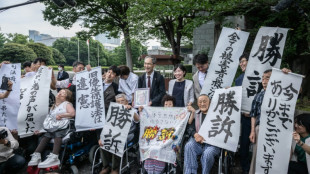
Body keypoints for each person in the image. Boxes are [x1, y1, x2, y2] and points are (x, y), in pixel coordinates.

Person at [249, 68, 291, 174]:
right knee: (257, 155)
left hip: (279, 131)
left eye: (267, 78)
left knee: (276, 157)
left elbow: (297, 91)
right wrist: (253, 131)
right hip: (261, 128)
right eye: (262, 78)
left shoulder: (284, 93)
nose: (264, 81)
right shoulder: (259, 95)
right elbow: (253, 115)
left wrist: (289, 76)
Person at [28, 89, 75, 169]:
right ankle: (37, 154)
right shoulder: (53, 107)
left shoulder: (66, 104)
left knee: (57, 133)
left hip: (65, 126)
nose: (60, 93)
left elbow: (72, 113)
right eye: (60, 92)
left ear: (66, 98)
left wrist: (61, 115)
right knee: (46, 135)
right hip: (55, 126)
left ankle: (54, 156)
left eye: (63, 93)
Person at [98, 94, 139, 174]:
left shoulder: (132, 110)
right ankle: (106, 166)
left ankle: (115, 169)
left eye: (122, 101)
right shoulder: (114, 111)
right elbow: (108, 126)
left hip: (128, 134)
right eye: (118, 102)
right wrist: (101, 137)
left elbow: (137, 120)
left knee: (116, 141)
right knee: (103, 141)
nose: (120, 103)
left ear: (127, 102)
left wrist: (131, 111)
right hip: (113, 133)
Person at [184, 94, 220, 174]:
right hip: (197, 143)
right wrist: (195, 134)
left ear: (209, 102)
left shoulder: (217, 114)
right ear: (197, 103)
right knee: (188, 145)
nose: (202, 104)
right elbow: (190, 128)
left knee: (207, 153)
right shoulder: (196, 114)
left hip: (212, 144)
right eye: (200, 102)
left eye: (205, 101)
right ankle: (191, 172)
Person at [142, 94, 176, 174]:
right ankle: (149, 170)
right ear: (163, 105)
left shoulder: (177, 116)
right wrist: (142, 110)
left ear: (173, 105)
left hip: (169, 139)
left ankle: (159, 169)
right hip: (157, 138)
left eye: (170, 104)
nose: (168, 106)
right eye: (166, 104)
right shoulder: (159, 115)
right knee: (149, 147)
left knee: (159, 148)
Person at [234, 53, 251, 174]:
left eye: (243, 61)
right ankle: (246, 168)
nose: (241, 64)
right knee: (244, 143)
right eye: (240, 62)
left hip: (261, 117)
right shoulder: (239, 80)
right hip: (245, 117)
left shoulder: (263, 77)